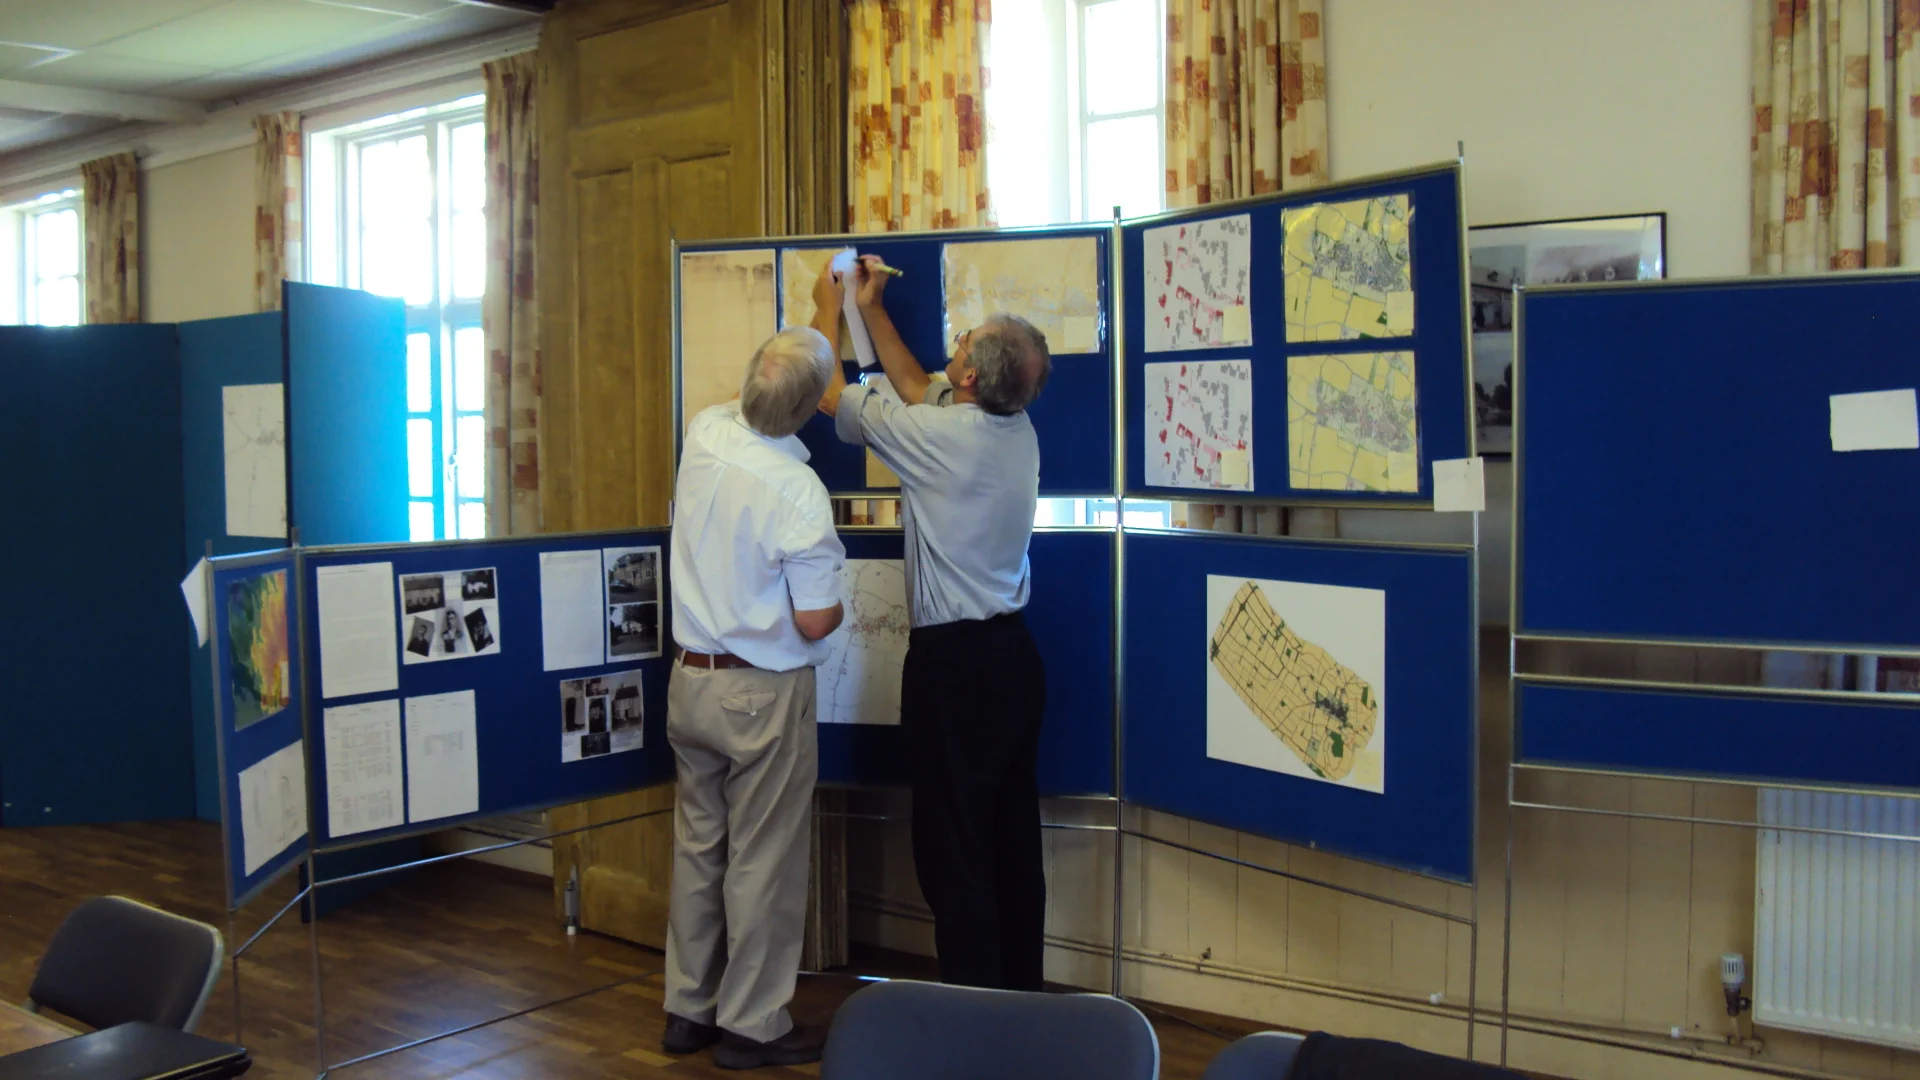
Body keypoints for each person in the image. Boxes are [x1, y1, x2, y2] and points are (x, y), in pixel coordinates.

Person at [813, 256, 1052, 991]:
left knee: (954, 849)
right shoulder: (1013, 425)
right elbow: (918, 386)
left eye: (967, 340)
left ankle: (972, 1020)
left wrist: (827, 306)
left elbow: (828, 396)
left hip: (956, 670)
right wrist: (873, 306)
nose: (956, 343)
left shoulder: (942, 442)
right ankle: (1019, 1004)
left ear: (976, 379)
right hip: (1013, 660)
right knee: (1011, 840)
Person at [662, 325, 846, 1070]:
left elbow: (774, 392)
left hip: (689, 683)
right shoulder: (799, 491)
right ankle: (752, 1023)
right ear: (810, 411)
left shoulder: (705, 431)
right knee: (763, 859)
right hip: (759, 693)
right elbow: (812, 618)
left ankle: (687, 1010)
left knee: (699, 848)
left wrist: (816, 320)